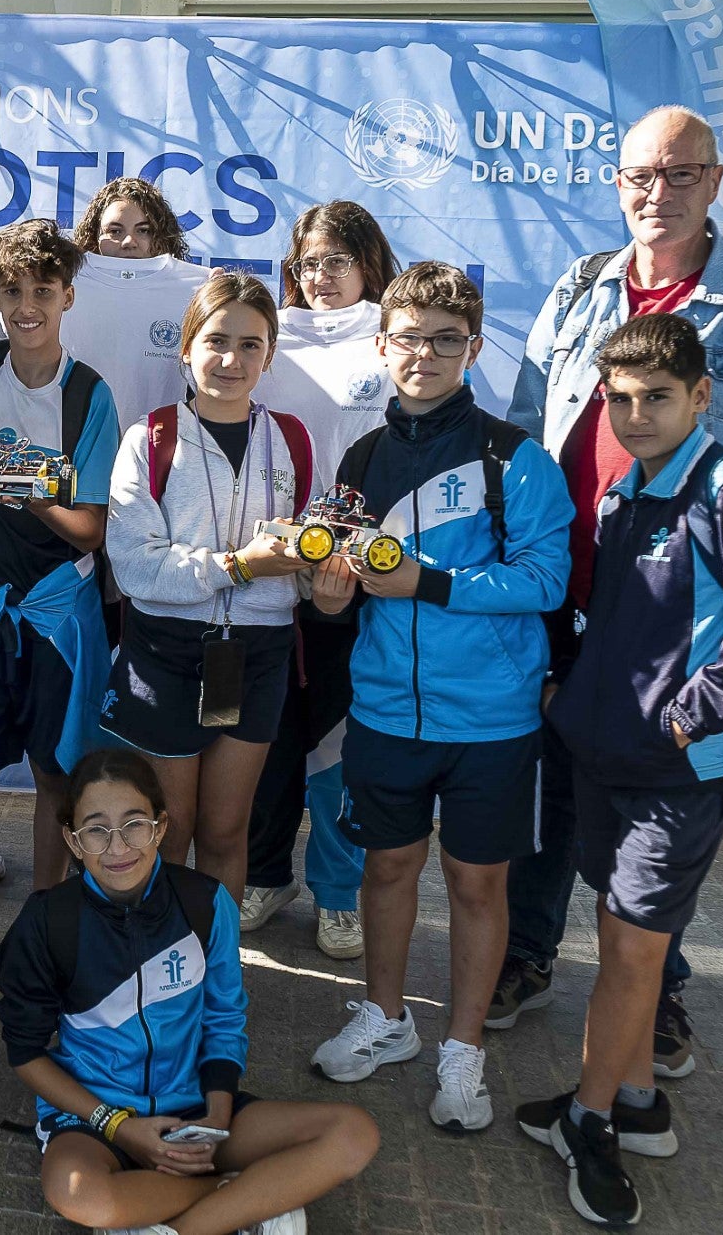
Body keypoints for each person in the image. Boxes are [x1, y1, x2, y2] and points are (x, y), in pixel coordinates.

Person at [499, 105, 723, 1076]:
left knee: (662, 805)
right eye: (642, 175)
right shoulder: (580, 287)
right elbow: (527, 429)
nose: (660, 192)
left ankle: (656, 990)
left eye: (682, 173)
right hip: (564, 592)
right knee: (551, 788)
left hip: (676, 616)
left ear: (716, 180)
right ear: (618, 183)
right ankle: (527, 953)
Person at [517, 314, 723, 1227]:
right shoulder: (622, 492)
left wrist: (688, 717)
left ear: (702, 396)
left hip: (679, 773)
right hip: (604, 757)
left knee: (635, 952)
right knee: (622, 948)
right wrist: (570, 695)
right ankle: (637, 1099)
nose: (635, 415)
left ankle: (589, 1119)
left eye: (657, 398)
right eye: (620, 399)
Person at [308, 262, 572, 1134]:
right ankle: (386, 1019)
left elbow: (546, 579)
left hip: (492, 719)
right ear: (382, 345)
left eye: (445, 340)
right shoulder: (362, 457)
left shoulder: (515, 456)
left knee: (475, 884)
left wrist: (429, 582)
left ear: (475, 348)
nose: (424, 355)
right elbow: (341, 584)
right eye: (409, 338)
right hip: (386, 710)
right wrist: (330, 594)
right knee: (386, 869)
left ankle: (464, 1049)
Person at [0, 748, 380, 1235]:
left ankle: (177, 1220)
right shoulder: (47, 920)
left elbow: (224, 1019)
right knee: (79, 1194)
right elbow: (25, 1053)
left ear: (160, 827)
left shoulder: (206, 902)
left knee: (353, 1134)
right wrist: (119, 1126)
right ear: (73, 840)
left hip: (194, 1109)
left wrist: (217, 1117)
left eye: (135, 825)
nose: (118, 847)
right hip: (97, 1117)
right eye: (96, 830)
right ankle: (243, 1198)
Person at [0, 219, 120, 974]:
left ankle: (43, 921)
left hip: (55, 614)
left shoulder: (89, 394)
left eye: (43, 290)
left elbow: (91, 531)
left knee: (53, 774)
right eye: (12, 291)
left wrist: (30, 493)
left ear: (68, 296)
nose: (26, 306)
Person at [103, 271, 317, 902]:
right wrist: (238, 566)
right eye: (217, 341)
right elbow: (136, 567)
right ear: (186, 347)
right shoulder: (150, 437)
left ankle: (215, 957)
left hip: (259, 654)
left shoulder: (293, 438)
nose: (231, 360)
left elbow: (308, 552)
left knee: (226, 833)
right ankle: (158, 952)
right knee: (166, 833)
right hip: (164, 651)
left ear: (269, 355)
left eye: (251, 345)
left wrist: (323, 579)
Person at [243, 201, 402, 956]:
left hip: (356, 576)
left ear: (370, 263)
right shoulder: (269, 336)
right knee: (267, 735)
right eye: (309, 262)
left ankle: (338, 895)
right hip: (272, 568)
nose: (321, 275)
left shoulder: (391, 338)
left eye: (338, 259)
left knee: (339, 746)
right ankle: (265, 874)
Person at [62, 176, 210, 432]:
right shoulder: (65, 279)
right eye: (115, 231)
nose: (129, 241)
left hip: (157, 445)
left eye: (143, 230)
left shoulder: (197, 288)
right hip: (79, 444)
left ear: (160, 235)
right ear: (95, 234)